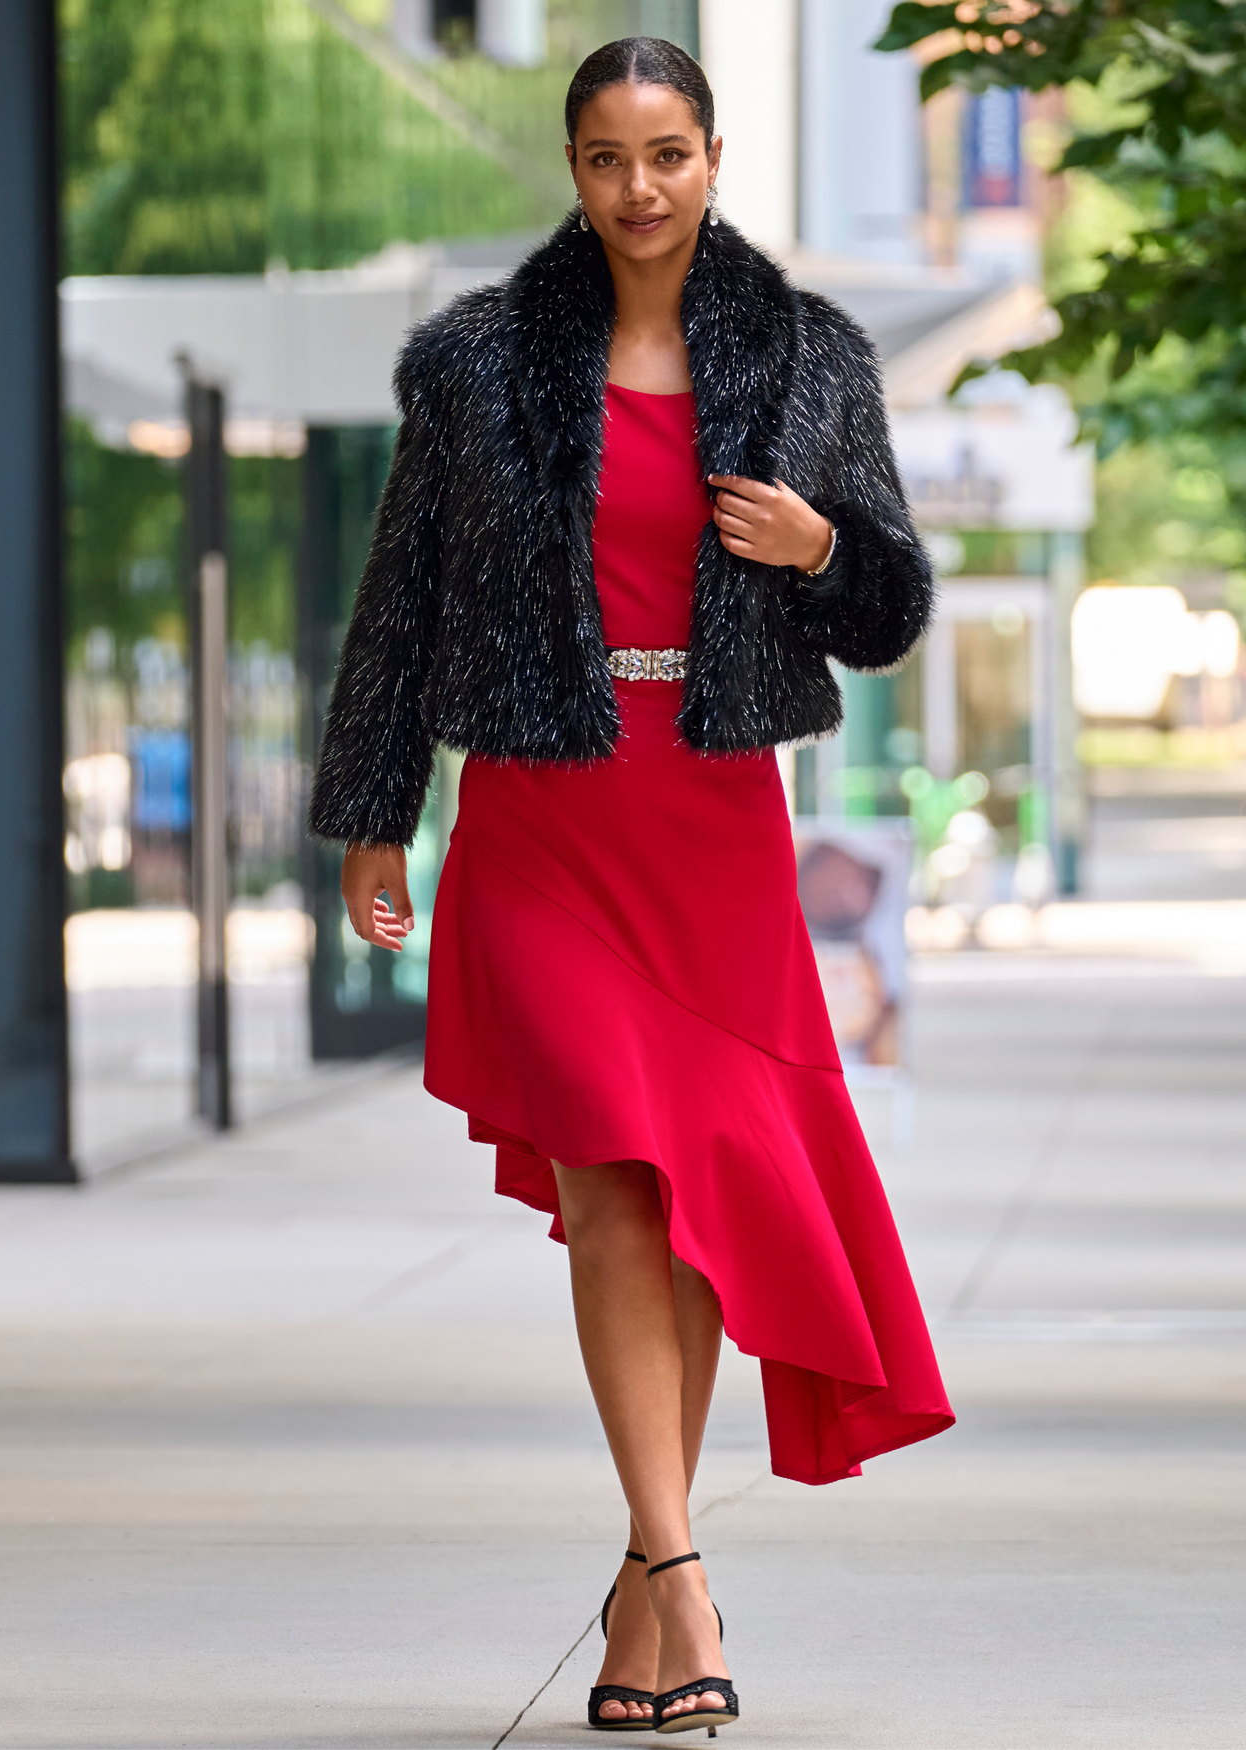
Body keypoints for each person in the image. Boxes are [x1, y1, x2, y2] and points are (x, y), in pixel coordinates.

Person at [309, 36, 954, 1736]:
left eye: (667, 153)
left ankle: (634, 1585)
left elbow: (885, 607)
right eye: (606, 157)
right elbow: (404, 594)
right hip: (542, 814)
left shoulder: (812, 359)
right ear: (574, 168)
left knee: (694, 1203)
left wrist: (823, 548)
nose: (639, 187)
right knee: (609, 1177)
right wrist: (376, 806)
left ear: (714, 157)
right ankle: (682, 1570)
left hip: (716, 816)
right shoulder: (475, 366)